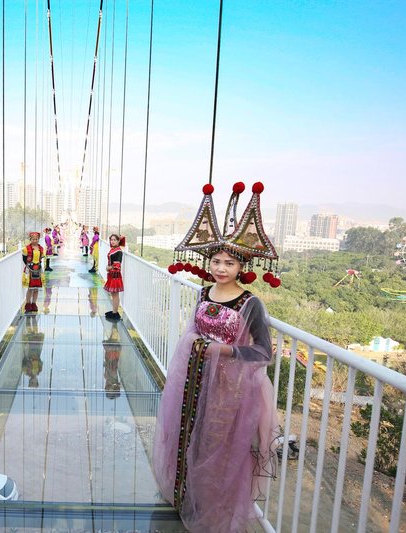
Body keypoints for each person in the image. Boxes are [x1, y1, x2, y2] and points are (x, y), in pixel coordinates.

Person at [153, 182, 280, 531]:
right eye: (216, 261)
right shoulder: (204, 292)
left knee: (217, 447)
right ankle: (186, 495)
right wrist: (197, 343)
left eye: (229, 263)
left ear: (242, 267)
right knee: (188, 437)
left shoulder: (250, 303)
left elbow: (263, 351)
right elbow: (194, 329)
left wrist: (223, 349)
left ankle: (211, 507)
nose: (221, 268)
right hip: (194, 381)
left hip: (229, 390)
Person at [22, 231, 45, 313]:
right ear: (30, 239)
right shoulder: (26, 249)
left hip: (38, 269)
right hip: (30, 270)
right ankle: (28, 304)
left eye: (36, 239)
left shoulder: (41, 248)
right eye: (33, 239)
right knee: (30, 288)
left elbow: (41, 258)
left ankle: (34, 303)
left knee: (36, 288)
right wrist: (29, 266)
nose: (35, 241)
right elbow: (24, 259)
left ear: (38, 239)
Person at [103, 234, 125, 321]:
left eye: (114, 240)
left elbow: (117, 265)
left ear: (118, 241)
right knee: (113, 294)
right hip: (112, 275)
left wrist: (108, 268)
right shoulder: (113, 249)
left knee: (115, 295)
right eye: (111, 240)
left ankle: (115, 313)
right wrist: (109, 268)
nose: (112, 241)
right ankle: (114, 311)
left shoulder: (119, 251)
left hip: (115, 275)